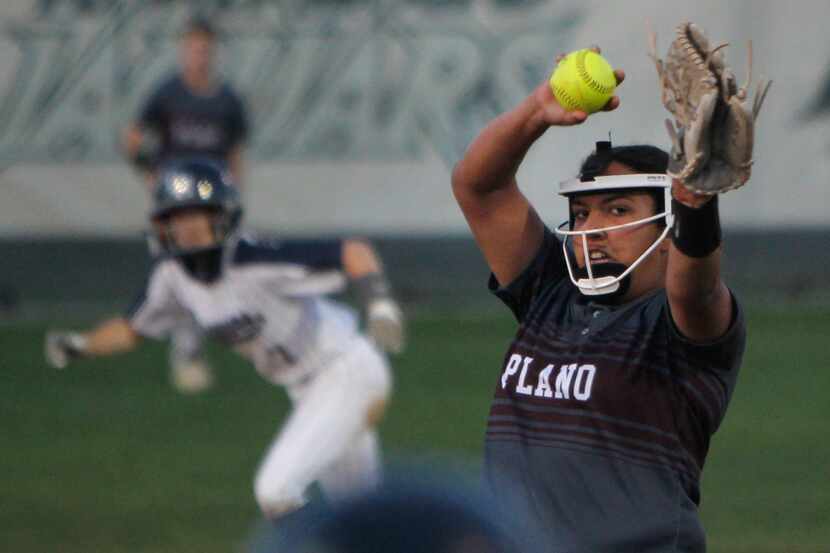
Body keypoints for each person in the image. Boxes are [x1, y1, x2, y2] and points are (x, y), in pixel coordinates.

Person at [451, 50, 746, 552]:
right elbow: (479, 187)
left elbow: (694, 284)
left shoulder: (681, 327)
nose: (593, 229)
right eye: (582, 213)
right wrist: (537, 110)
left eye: (617, 209)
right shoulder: (550, 291)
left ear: (669, 228)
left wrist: (697, 203)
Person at [44, 158, 405, 522]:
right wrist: (81, 345)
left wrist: (381, 305)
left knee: (276, 491)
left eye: (195, 216)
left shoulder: (251, 258)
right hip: (309, 390)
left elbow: (352, 251)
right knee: (364, 517)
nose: (186, 228)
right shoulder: (171, 274)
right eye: (176, 218)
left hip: (345, 373)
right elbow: (131, 328)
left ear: (222, 217)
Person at [123, 15, 249, 393]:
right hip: (179, 206)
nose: (199, 55)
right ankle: (186, 350)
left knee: (219, 271)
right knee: (180, 273)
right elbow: (133, 138)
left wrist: (234, 193)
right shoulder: (167, 94)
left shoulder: (227, 101)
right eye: (193, 48)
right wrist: (152, 178)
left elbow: (235, 153)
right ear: (183, 51)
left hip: (212, 206)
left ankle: (222, 339)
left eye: (205, 49)